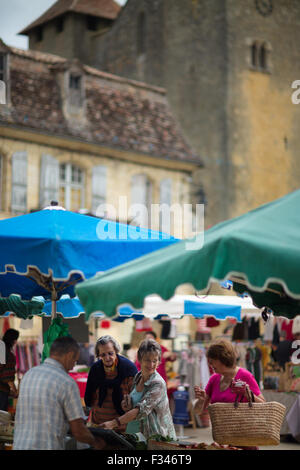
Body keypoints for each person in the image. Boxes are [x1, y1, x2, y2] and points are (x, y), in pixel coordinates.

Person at [13, 336, 103, 450]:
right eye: (75, 361)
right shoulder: (67, 382)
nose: (73, 366)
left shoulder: (29, 374)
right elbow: (78, 431)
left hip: (20, 446)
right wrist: (96, 442)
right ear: (70, 355)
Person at [193, 339, 265, 450]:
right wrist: (202, 400)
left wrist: (247, 394)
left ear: (223, 358)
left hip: (245, 439)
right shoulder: (214, 379)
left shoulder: (245, 375)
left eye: (212, 360)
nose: (210, 363)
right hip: (222, 439)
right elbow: (198, 411)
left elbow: (264, 405)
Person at [100, 338, 176, 440]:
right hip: (136, 435)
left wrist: (114, 423)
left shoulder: (158, 383)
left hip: (156, 439)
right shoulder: (138, 377)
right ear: (139, 359)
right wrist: (127, 405)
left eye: (155, 361)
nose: (151, 365)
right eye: (147, 360)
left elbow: (140, 410)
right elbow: (135, 406)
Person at [84, 335, 138, 429]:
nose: (107, 358)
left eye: (110, 353)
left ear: (116, 351)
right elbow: (90, 396)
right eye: (103, 355)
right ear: (98, 355)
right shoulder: (95, 369)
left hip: (121, 427)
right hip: (98, 423)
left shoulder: (128, 369)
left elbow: (136, 400)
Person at [0, 328, 19, 411]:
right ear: (13, 340)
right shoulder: (7, 354)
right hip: (1, 391)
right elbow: (7, 377)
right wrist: (15, 391)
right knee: (2, 419)